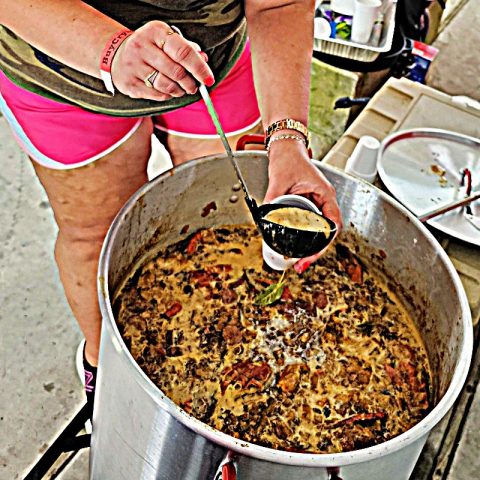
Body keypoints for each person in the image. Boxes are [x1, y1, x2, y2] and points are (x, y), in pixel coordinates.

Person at [0, 0, 342, 413]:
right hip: (62, 66)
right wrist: (108, 50)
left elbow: (280, 4)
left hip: (212, 56)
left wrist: (288, 139)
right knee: (96, 237)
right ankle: (104, 371)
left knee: (231, 211)